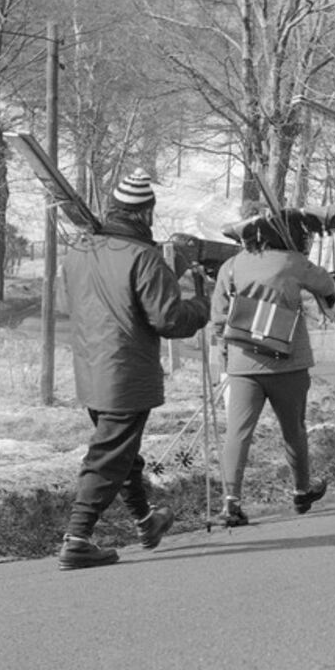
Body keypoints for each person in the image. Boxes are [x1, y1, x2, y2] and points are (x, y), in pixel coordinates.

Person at [59, 168, 211, 570]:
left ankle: (146, 521)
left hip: (90, 368)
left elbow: (77, 300)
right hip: (125, 373)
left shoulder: (80, 250)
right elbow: (169, 319)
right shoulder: (143, 257)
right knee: (109, 455)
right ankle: (78, 538)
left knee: (122, 450)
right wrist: (201, 304)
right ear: (144, 214)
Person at [209, 209, 335, 527]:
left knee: (238, 434)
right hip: (288, 362)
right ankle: (301, 489)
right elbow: (327, 286)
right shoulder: (292, 262)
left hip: (243, 362)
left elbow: (218, 317)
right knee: (293, 429)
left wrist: (225, 355)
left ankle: (231, 503)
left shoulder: (233, 265)